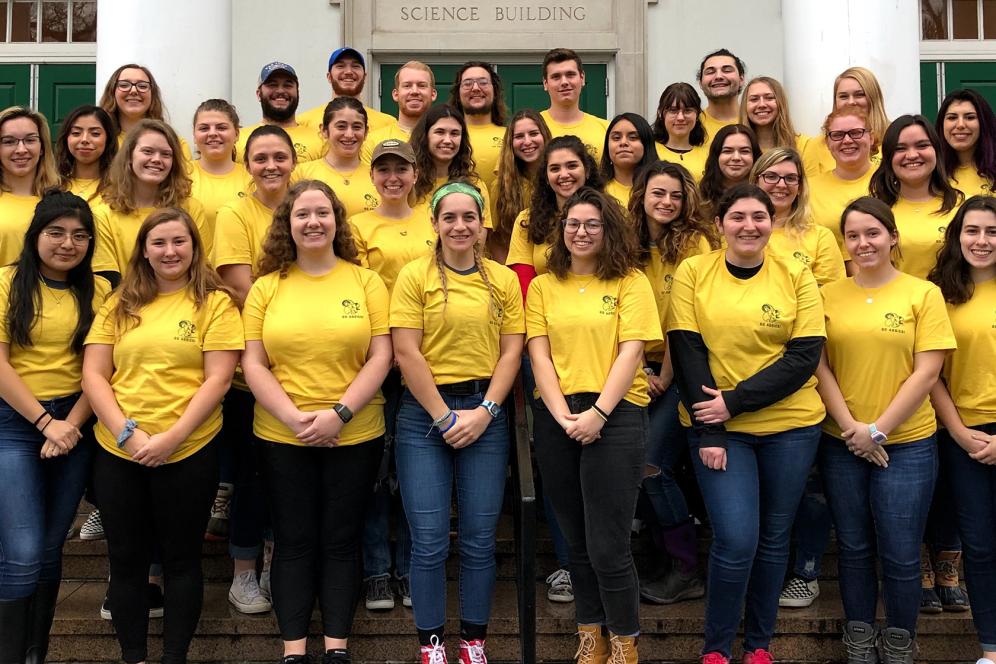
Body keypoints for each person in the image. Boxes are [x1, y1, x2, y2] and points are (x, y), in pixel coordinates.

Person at [667, 184, 826, 664]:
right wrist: (713, 427)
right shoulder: (695, 271)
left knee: (775, 537)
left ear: (772, 223)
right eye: (737, 217)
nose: (749, 226)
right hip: (718, 430)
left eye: (759, 216)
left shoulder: (796, 274)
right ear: (719, 225)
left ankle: (759, 645)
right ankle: (716, 650)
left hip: (791, 426)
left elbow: (803, 357)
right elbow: (687, 350)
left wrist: (733, 402)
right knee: (737, 539)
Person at [82, 207, 243, 664]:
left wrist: (171, 438)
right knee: (127, 560)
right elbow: (94, 374)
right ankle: (133, 656)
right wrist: (127, 434)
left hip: (189, 449)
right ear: (144, 252)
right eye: (159, 243)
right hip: (118, 450)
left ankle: (175, 657)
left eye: (179, 242)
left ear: (194, 248)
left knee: (181, 560)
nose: (170, 251)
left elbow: (218, 380)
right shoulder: (120, 303)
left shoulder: (215, 303)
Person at [241, 180, 392, 664]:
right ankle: (293, 650)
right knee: (294, 540)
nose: (313, 222)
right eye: (302, 214)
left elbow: (381, 355)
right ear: (287, 224)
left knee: (341, 539)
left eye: (322, 213)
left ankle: (337, 648)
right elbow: (253, 362)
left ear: (337, 220)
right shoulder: (267, 286)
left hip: (356, 432)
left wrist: (339, 414)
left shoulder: (366, 281)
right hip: (282, 435)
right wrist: (293, 418)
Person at [816, 196, 955, 664]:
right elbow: (820, 367)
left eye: (872, 233)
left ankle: (899, 639)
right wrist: (854, 429)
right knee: (854, 546)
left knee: (899, 550)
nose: (862, 243)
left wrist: (877, 429)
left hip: (909, 443)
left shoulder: (923, 293)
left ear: (893, 237)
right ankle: (859, 639)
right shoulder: (827, 295)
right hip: (842, 442)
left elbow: (927, 372)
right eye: (852, 235)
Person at [526, 186, 662, 664]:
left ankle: (625, 643)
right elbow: (538, 351)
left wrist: (599, 413)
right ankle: (591, 638)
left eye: (591, 225)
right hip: (558, 415)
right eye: (572, 224)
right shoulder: (543, 285)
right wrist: (562, 412)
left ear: (609, 231)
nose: (580, 233)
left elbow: (632, 351)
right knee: (577, 544)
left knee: (609, 544)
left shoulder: (630, 282)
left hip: (617, 413)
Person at [391, 180, 525, 664]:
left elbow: (512, 351)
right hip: (424, 416)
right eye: (449, 217)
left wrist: (486, 411)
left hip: (484, 411)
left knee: (478, 539)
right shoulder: (413, 276)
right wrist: (445, 416)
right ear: (434, 223)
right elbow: (406, 350)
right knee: (427, 540)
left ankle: (473, 641)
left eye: (469, 217)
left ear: (483, 223)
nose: (460, 226)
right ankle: (431, 645)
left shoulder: (503, 280)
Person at [0, 190, 108, 662]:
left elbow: (103, 370)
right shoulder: (6, 283)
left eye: (80, 235)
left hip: (75, 423)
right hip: (15, 422)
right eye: (57, 233)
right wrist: (45, 422)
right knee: (22, 552)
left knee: (47, 551)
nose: (68, 243)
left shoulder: (101, 291)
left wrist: (68, 426)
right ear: (35, 235)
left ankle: (34, 655)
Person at [212, 124, 297, 615]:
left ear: (293, 161)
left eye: (279, 157)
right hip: (252, 370)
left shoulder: (303, 204)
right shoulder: (235, 213)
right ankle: (244, 572)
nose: (271, 166)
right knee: (251, 476)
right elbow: (243, 286)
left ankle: (274, 559)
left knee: (287, 479)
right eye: (261, 157)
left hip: (305, 369)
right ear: (247, 164)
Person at [628, 160, 719, 606]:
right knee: (635, 467)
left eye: (676, 196)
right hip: (630, 365)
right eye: (658, 193)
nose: (666, 202)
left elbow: (685, 318)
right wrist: (636, 371)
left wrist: (661, 376)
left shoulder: (695, 243)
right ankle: (664, 560)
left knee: (652, 463)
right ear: (641, 195)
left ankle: (685, 567)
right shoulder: (627, 242)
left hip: (681, 367)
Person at [349, 139, 422, 610]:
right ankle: (377, 569)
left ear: (415, 173)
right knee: (377, 469)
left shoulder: (433, 222)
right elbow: (357, 288)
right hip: (374, 362)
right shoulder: (356, 227)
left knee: (415, 472)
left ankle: (414, 569)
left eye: (401, 168)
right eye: (383, 169)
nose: (392, 177)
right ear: (372, 177)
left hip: (424, 361)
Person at [927, 195, 996, 664]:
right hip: (963, 432)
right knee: (980, 545)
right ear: (957, 236)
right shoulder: (939, 293)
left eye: (992, 232)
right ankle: (991, 648)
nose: (982, 241)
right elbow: (929, 371)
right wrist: (957, 430)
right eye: (972, 231)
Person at [91, 119, 208, 283]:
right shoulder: (103, 215)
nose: (156, 159)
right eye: (147, 151)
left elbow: (201, 269)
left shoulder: (191, 208)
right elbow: (108, 282)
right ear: (129, 156)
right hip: (127, 305)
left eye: (166, 154)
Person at [505, 135, 604, 297]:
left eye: (572, 166)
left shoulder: (609, 214)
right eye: (555, 168)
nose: (564, 174)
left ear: (587, 171)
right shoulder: (527, 220)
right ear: (546, 177)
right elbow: (523, 283)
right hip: (544, 313)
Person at [870, 114, 963, 280]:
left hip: (956, 302)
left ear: (936, 151)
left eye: (922, 145)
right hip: (895, 304)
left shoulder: (964, 207)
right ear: (888, 157)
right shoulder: (873, 211)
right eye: (900, 148)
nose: (912, 155)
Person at [750, 148, 845, 286]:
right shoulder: (738, 232)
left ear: (800, 187)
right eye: (771, 176)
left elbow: (828, 295)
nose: (781, 185)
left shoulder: (820, 237)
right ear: (755, 182)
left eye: (790, 178)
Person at [409, 104, 493, 229]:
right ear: (425, 136)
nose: (447, 140)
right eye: (440, 132)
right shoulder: (408, 184)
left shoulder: (475, 186)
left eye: (454, 133)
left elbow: (478, 242)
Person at [294, 97, 380, 219]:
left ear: (366, 132)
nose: (349, 134)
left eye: (356, 127)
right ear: (324, 130)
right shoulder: (300, 174)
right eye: (341, 126)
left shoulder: (379, 177)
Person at [808, 108, 877, 257]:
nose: (847, 140)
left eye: (856, 133)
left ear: (871, 138)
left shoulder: (890, 180)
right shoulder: (808, 189)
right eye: (837, 135)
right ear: (827, 142)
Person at [0, 107, 60, 266]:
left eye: (30, 140)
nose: (21, 149)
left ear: (42, 147)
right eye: (9, 141)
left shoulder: (61, 202)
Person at [803, 66, 889, 176]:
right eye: (843, 96)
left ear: (873, 97)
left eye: (859, 95)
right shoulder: (815, 146)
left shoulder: (895, 138)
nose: (851, 102)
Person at [491, 109, 551, 263]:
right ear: (510, 143)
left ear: (544, 136)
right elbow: (497, 238)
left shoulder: (560, 180)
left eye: (533, 134)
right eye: (519, 136)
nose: (527, 141)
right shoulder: (501, 186)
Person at [97, 64, 192, 160]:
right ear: (112, 92)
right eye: (124, 85)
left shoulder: (176, 145)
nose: (133, 91)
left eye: (142, 86)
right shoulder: (98, 142)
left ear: (152, 94)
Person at [235, 62, 324, 163]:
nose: (280, 91)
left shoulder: (320, 139)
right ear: (259, 94)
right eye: (272, 85)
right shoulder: (238, 140)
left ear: (298, 92)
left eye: (287, 85)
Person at [297, 47, 396, 135]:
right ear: (329, 77)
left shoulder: (387, 124)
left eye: (355, 66)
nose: (348, 72)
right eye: (340, 66)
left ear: (365, 77)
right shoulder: (303, 122)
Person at [189, 99, 253, 233]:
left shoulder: (253, 178)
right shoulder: (181, 174)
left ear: (236, 134)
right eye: (204, 128)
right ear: (194, 136)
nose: (212, 133)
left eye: (221, 127)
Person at [449, 61, 507, 195]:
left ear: (495, 91)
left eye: (483, 82)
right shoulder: (445, 137)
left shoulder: (511, 136)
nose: (475, 88)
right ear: (458, 93)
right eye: (467, 83)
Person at [539, 48, 608, 161]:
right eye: (556, 77)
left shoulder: (606, 130)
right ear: (545, 83)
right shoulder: (532, 129)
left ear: (582, 78)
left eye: (570, 74)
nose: (564, 82)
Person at [362, 61, 437, 162]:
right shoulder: (373, 141)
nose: (414, 91)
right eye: (407, 86)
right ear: (395, 94)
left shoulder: (444, 139)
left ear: (433, 94)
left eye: (421, 85)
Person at [935, 89, 996, 197]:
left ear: (983, 122)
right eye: (952, 117)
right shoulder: (931, 172)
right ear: (942, 124)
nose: (960, 125)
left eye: (970, 117)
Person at [54, 105, 118, 202]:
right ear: (66, 138)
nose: (84, 140)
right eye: (76, 133)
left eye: (95, 134)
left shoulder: (120, 188)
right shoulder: (52, 184)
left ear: (108, 139)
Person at [738, 77, 813, 158]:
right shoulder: (734, 147)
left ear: (781, 103)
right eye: (754, 99)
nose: (761, 104)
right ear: (745, 105)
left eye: (769, 98)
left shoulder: (804, 145)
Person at [699, 124, 761, 218]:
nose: (736, 158)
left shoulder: (766, 193)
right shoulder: (698, 197)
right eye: (727, 151)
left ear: (754, 157)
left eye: (744, 151)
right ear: (716, 157)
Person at [651, 83, 709, 181]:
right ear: (661, 114)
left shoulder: (709, 154)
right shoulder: (649, 151)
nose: (680, 118)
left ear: (697, 114)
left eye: (687, 111)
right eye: (673, 111)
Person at [601, 113, 657, 208]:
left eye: (633, 138)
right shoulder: (597, 191)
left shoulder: (660, 190)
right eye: (616, 138)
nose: (623, 143)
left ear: (646, 144)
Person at [696, 48, 746, 143]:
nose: (718, 76)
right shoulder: (691, 125)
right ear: (700, 83)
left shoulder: (756, 122)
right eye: (710, 72)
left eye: (727, 70)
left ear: (741, 79)